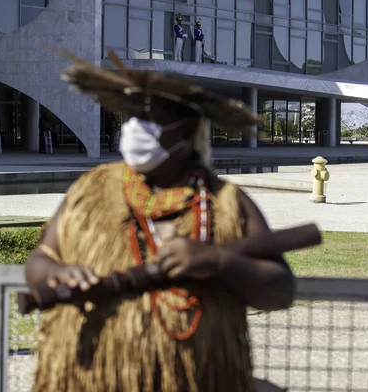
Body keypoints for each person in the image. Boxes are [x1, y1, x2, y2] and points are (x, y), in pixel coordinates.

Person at [25, 52, 295, 392]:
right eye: (132, 114)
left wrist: (220, 261)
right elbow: (39, 261)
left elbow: (281, 291)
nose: (135, 127)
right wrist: (54, 274)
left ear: (187, 129)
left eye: (150, 117)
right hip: (87, 378)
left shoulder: (226, 202)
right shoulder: (89, 189)